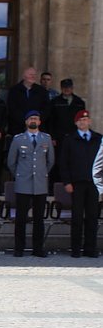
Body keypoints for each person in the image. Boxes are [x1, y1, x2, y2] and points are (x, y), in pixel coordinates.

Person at [7, 110, 54, 257]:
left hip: (40, 184)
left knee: (39, 219)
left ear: (40, 122)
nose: (33, 120)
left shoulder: (46, 138)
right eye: (31, 118)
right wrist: (20, 175)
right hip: (23, 184)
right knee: (21, 218)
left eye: (36, 118)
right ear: (26, 122)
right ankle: (19, 248)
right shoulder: (18, 139)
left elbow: (50, 161)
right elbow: (11, 162)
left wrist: (41, 173)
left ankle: (38, 249)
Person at [57, 110, 101, 258]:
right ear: (76, 123)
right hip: (77, 183)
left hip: (94, 184)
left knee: (92, 216)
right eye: (80, 120)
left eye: (86, 119)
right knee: (76, 217)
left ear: (89, 121)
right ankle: (75, 249)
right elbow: (64, 163)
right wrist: (67, 182)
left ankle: (90, 249)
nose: (83, 122)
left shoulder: (98, 139)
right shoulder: (70, 139)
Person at [6, 67, 49, 138]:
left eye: (34, 75)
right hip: (18, 129)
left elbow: (46, 108)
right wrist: (26, 122)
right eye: (30, 74)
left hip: (38, 129)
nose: (33, 76)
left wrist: (35, 121)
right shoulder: (14, 91)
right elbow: (12, 109)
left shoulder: (41, 91)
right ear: (24, 76)